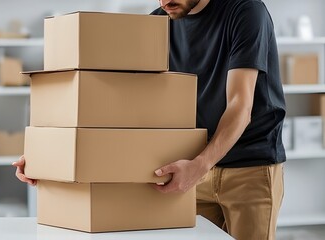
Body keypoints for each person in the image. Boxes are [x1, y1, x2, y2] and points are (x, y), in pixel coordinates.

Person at [14, 0, 285, 239]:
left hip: (249, 168)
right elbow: (125, 106)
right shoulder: (158, 22)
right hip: (189, 166)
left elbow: (240, 104)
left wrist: (200, 165)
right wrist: (49, 158)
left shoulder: (245, 10)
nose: (164, 0)